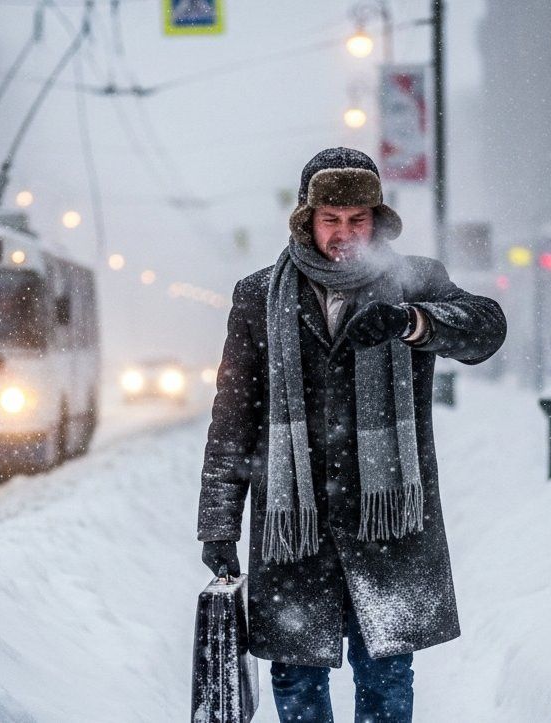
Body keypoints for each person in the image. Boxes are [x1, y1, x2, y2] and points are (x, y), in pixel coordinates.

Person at [197, 147, 507, 722]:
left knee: (386, 678)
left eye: (357, 220)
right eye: (330, 219)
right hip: (294, 527)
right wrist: (219, 524)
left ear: (377, 221)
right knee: (295, 680)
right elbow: (234, 416)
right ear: (306, 220)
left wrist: (413, 321)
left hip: (385, 523)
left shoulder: (414, 280)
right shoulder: (258, 294)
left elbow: (487, 328)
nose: (343, 233)